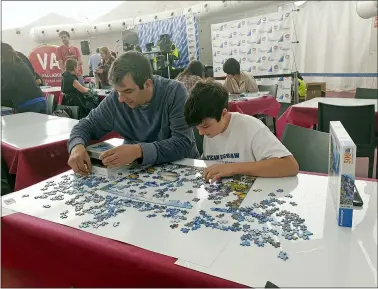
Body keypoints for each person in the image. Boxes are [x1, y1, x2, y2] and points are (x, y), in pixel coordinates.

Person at [67, 51, 198, 176]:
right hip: (136, 173)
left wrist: (138, 151)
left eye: (128, 91)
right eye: (118, 91)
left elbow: (183, 143)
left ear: (147, 84)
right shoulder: (115, 100)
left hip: (182, 169)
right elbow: (86, 125)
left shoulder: (175, 92)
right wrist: (76, 146)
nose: (121, 99)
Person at [184, 80, 299, 182]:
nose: (200, 133)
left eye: (205, 126)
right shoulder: (210, 131)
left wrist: (233, 168)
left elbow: (290, 165)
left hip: (256, 194)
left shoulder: (251, 127)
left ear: (223, 114)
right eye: (197, 128)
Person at [1, 42, 47, 113]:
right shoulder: (21, 63)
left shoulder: (5, 65)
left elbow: (11, 85)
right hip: (41, 100)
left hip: (27, 104)